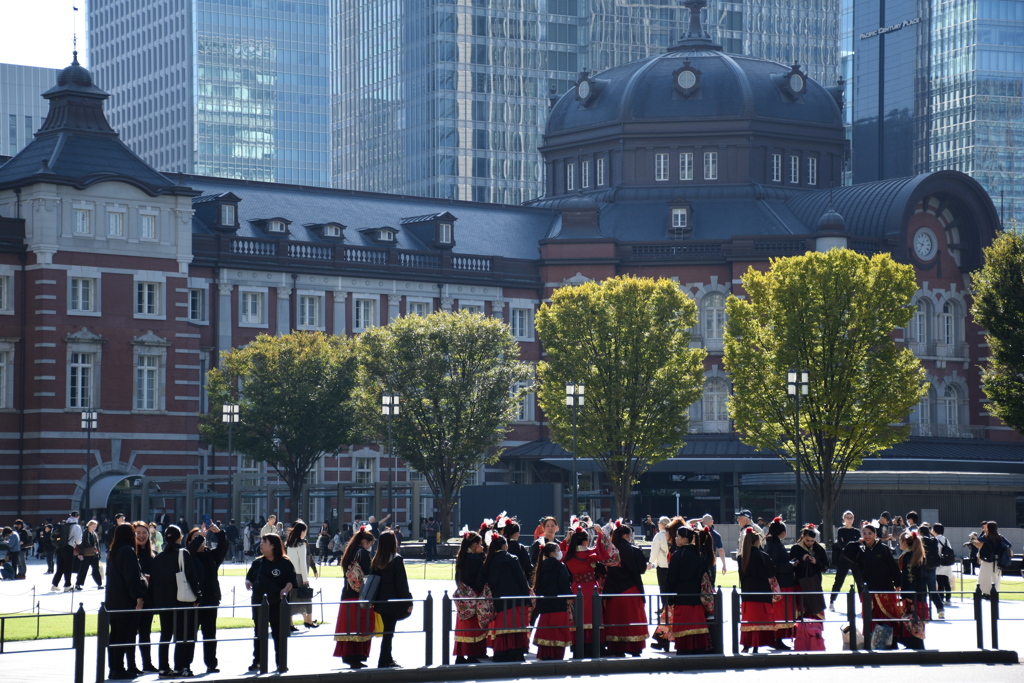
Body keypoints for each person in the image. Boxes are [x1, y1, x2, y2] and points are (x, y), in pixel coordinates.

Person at [150, 525, 202, 677]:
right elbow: (191, 576)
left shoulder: (159, 557)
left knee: (165, 635)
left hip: (163, 601)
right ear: (180, 537)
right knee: (181, 635)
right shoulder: (183, 553)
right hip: (180, 600)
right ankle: (179, 667)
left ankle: (163, 668)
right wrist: (198, 595)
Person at [843, 521, 902, 646]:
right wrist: (856, 542)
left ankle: (891, 643)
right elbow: (846, 552)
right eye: (864, 533)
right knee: (869, 618)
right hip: (867, 590)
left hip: (884, 588)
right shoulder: (860, 551)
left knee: (888, 617)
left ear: (875, 534)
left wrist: (898, 584)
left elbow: (894, 568)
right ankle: (871, 643)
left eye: (870, 533)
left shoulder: (884, 549)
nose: (867, 536)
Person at [245, 533, 296, 673]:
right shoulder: (258, 562)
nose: (261, 544)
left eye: (264, 542)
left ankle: (281, 663)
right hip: (259, 603)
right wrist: (248, 582)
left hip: (277, 604)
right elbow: (249, 577)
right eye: (261, 542)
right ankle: (258, 661)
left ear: (273, 545)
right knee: (259, 633)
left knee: (278, 633)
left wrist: (285, 589)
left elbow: (291, 580)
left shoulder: (285, 562)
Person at [563, 522, 618, 648]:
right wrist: (600, 534)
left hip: (576, 588)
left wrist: (566, 540)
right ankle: (594, 645)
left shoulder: (568, 555)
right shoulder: (590, 554)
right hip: (591, 589)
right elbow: (608, 553)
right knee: (593, 616)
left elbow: (557, 552)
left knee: (578, 617)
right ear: (585, 541)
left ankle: (577, 645)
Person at [105, 523, 149, 680]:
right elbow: (132, 577)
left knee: (115, 636)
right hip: (126, 600)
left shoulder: (113, 551)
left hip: (113, 600)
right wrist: (139, 595)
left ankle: (114, 668)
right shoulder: (128, 551)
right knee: (123, 636)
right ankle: (119, 668)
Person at [186, 523, 228, 674]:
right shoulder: (186, 555)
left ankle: (211, 663)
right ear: (189, 541)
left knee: (210, 634)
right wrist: (199, 537)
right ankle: (186, 665)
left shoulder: (210, 555)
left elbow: (223, 548)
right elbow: (188, 551)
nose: (200, 539)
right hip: (192, 601)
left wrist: (219, 533)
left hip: (210, 599)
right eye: (195, 538)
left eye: (202, 537)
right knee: (190, 635)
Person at [483, 533, 531, 662]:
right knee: (517, 625)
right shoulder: (513, 559)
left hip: (498, 599)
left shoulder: (490, 561)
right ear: (505, 546)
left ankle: (501, 652)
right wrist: (527, 598)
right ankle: (516, 652)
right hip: (515, 598)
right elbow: (521, 580)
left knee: (502, 626)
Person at [333, 526, 377, 669]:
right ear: (364, 541)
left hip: (347, 594)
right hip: (359, 595)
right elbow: (368, 574)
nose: (370, 546)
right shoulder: (363, 553)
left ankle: (349, 656)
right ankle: (357, 656)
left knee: (349, 628)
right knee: (360, 626)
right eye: (370, 543)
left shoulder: (349, 552)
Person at [602, 522, 648, 656]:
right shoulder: (630, 548)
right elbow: (639, 569)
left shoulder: (610, 549)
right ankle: (634, 648)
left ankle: (617, 648)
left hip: (613, 590)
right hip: (630, 588)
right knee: (632, 620)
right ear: (626, 535)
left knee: (616, 620)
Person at [665, 525, 711, 654]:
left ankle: (684, 648)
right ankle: (699, 647)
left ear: (685, 539)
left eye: (678, 536)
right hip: (696, 595)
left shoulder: (678, 554)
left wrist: (670, 594)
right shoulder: (699, 554)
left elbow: (671, 577)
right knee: (697, 623)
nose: (675, 539)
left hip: (682, 594)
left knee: (683, 623)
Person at [370, 530, 412, 669]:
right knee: (389, 632)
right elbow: (401, 583)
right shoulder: (396, 559)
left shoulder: (376, 560)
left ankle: (387, 658)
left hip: (380, 601)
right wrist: (408, 601)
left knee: (388, 631)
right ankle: (384, 660)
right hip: (393, 601)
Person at [737, 528, 776, 653]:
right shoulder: (763, 556)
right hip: (762, 593)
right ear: (757, 541)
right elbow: (771, 574)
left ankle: (746, 645)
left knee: (748, 622)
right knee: (760, 621)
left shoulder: (741, 557)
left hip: (747, 594)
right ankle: (756, 646)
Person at [532, 540, 572, 660]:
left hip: (545, 605)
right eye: (558, 550)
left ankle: (545, 654)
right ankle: (556, 655)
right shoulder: (560, 566)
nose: (560, 552)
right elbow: (564, 584)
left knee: (546, 631)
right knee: (558, 631)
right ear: (553, 554)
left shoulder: (541, 566)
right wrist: (569, 596)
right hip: (559, 604)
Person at [452, 530, 487, 664]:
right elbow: (479, 579)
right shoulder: (475, 560)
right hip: (473, 595)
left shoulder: (462, 557)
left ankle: (460, 655)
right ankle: (472, 654)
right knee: (472, 626)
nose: (482, 547)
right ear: (474, 545)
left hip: (463, 595)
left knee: (462, 625)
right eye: (480, 544)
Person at [763, 517, 795, 650]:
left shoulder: (772, 544)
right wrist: (791, 565)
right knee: (781, 613)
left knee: (782, 612)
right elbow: (775, 565)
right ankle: (777, 639)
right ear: (782, 532)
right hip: (781, 583)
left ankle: (778, 639)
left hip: (782, 582)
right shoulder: (774, 545)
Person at [132, 522, 158, 674]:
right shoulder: (131, 553)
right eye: (138, 533)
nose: (141, 536)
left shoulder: (151, 554)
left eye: (144, 533)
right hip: (135, 598)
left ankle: (147, 663)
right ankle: (132, 665)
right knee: (132, 632)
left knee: (145, 632)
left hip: (148, 598)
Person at [285, 520, 320, 630]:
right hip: (300, 575)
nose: (306, 533)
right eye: (305, 531)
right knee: (306, 598)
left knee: (291, 599)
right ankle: (308, 621)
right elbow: (303, 564)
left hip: (290, 574)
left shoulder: (289, 544)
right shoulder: (301, 544)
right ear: (302, 532)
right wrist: (305, 579)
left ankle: (290, 623)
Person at [895, 531, 928, 649]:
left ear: (905, 542)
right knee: (916, 620)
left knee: (911, 618)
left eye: (900, 540)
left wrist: (908, 595)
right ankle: (916, 643)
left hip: (912, 595)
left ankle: (913, 643)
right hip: (920, 594)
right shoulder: (917, 554)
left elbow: (910, 577)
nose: (898, 543)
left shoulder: (908, 556)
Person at [790, 526, 829, 620]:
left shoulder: (819, 549)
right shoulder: (796, 548)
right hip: (800, 583)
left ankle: (815, 631)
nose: (810, 543)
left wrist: (816, 562)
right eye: (807, 540)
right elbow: (791, 565)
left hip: (814, 583)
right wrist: (801, 560)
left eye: (812, 540)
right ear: (802, 537)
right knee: (801, 609)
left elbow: (826, 567)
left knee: (815, 609)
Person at [828, 510, 861, 611]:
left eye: (851, 518)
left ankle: (864, 602)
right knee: (839, 580)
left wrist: (849, 544)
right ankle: (832, 602)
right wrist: (852, 543)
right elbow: (841, 545)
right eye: (847, 518)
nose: (849, 520)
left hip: (854, 559)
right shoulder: (840, 531)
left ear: (853, 519)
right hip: (844, 559)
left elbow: (858, 545)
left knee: (860, 581)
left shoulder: (857, 531)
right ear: (844, 519)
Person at [51, 510, 83, 593]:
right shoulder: (76, 526)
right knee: (68, 568)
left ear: (70, 516)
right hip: (69, 548)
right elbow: (79, 541)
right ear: (78, 517)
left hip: (60, 547)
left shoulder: (64, 524)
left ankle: (55, 584)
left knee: (60, 567)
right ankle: (67, 585)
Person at [973, 521, 1005, 597]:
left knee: (983, 577)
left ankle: (984, 593)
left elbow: (978, 540)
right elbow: (1009, 544)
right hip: (997, 561)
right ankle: (993, 594)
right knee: (995, 578)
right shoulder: (999, 537)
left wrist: (973, 540)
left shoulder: (986, 536)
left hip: (987, 560)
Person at [75, 519, 104, 590]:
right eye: (93, 526)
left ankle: (99, 584)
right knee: (83, 569)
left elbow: (97, 545)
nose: (94, 528)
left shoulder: (94, 534)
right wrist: (80, 554)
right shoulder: (84, 533)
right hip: (86, 554)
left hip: (94, 554)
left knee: (96, 570)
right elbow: (81, 545)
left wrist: (98, 553)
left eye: (95, 526)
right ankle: (78, 584)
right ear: (89, 526)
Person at [700, 514, 727, 583]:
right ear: (712, 522)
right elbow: (721, 550)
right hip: (712, 561)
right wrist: (724, 564)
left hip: (700, 561)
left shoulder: (698, 534)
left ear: (702, 522)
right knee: (711, 584)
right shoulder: (716, 535)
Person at [932, 523, 954, 606]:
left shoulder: (936, 539)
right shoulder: (946, 539)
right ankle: (948, 599)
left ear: (935, 530)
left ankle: (941, 598)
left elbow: (936, 552)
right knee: (946, 582)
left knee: (940, 582)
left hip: (939, 564)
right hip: (947, 563)